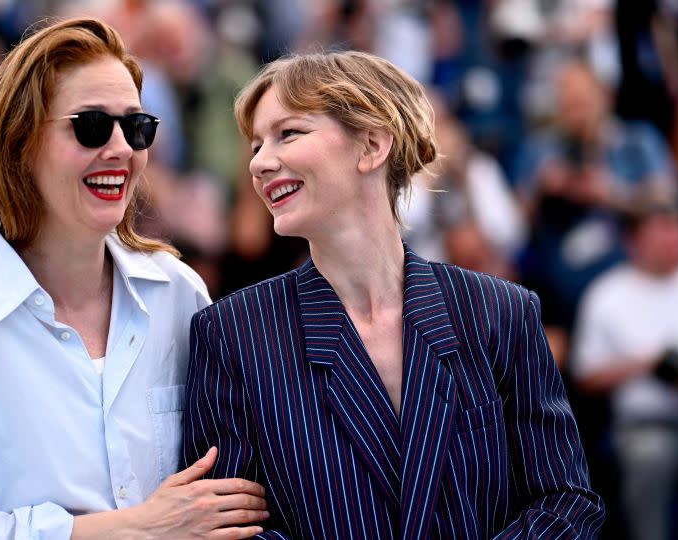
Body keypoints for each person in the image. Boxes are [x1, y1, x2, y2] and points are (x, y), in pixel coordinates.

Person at [183, 50, 605, 539]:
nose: (259, 163)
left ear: (372, 146)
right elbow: (222, 527)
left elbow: (566, 501)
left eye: (288, 134)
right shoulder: (231, 333)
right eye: (256, 145)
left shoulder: (502, 312)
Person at [0, 18, 268, 539]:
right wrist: (129, 530)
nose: (122, 148)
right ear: (20, 144)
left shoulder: (180, 294)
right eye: (90, 126)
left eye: (137, 127)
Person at [571, 190, 678, 540]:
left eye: (677, 229)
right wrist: (649, 363)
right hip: (641, 425)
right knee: (651, 457)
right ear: (633, 240)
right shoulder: (607, 294)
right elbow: (584, 374)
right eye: (661, 232)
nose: (672, 240)